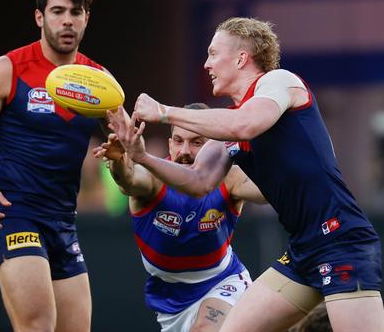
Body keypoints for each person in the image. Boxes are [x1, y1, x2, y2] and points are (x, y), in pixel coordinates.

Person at [126, 17, 384, 331]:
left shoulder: (277, 82)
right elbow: (198, 181)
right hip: (303, 251)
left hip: (342, 240)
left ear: (241, 58)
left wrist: (164, 112)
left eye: (213, 53)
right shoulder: (232, 122)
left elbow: (246, 125)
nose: (206, 63)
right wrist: (141, 157)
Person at [0, 0, 103, 331]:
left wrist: (124, 156)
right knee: (37, 324)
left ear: (87, 18)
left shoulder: (98, 82)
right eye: (57, 11)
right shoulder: (6, 69)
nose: (67, 20)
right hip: (13, 212)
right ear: (40, 17)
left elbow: (128, 160)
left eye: (76, 11)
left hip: (64, 221)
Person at [96, 103, 265, 332]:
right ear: (169, 144)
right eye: (178, 140)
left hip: (222, 281)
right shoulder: (155, 179)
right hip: (169, 298)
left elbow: (270, 193)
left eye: (197, 142)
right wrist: (118, 161)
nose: (185, 151)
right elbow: (129, 180)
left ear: (214, 147)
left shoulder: (229, 179)